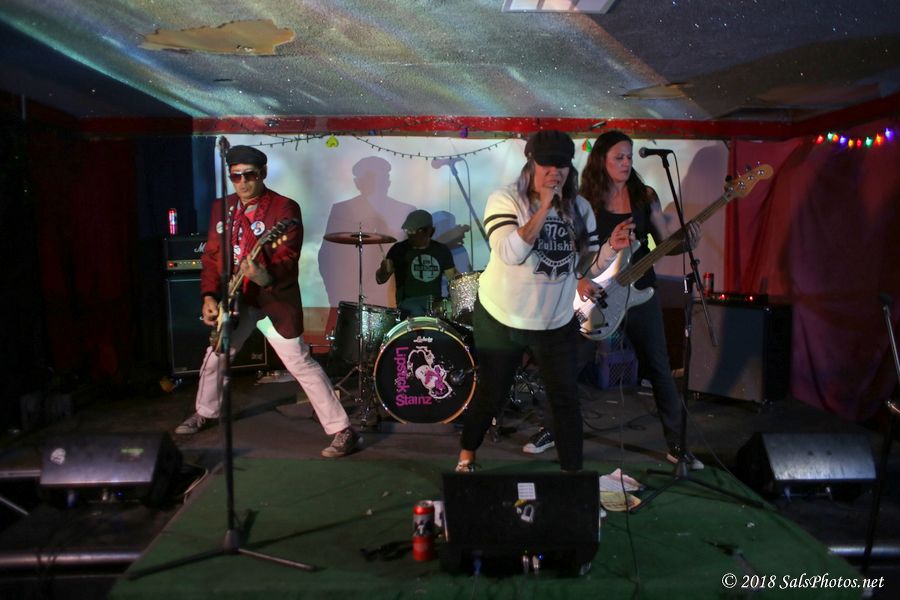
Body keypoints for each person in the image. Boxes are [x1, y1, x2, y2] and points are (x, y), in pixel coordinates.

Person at [454, 130, 634, 473]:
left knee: (565, 399)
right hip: (502, 317)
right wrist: (544, 209)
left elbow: (584, 267)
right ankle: (467, 455)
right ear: (530, 164)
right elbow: (510, 253)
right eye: (547, 165)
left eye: (561, 165)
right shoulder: (506, 199)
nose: (555, 172)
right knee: (493, 393)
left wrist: (611, 247)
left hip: (554, 321)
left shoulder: (580, 208)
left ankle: (572, 475)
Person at [175, 145, 360, 459]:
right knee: (216, 354)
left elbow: (288, 257)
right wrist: (208, 295)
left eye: (249, 175)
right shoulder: (222, 207)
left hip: (274, 299)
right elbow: (212, 257)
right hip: (236, 299)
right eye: (236, 176)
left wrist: (264, 275)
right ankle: (205, 411)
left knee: (299, 362)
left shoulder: (284, 208)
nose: (243, 182)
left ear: (263, 173)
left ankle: (343, 429)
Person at [575, 129, 704, 469]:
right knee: (570, 363)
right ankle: (553, 429)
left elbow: (666, 242)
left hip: (641, 290)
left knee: (659, 367)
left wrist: (688, 242)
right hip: (598, 295)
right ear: (600, 160)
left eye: (629, 157)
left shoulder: (645, 196)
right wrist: (580, 280)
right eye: (618, 157)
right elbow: (576, 252)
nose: (626, 163)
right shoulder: (585, 202)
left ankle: (676, 444)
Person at [375, 209, 459, 317]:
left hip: (434, 303)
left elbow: (453, 279)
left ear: (430, 231)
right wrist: (383, 270)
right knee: (417, 311)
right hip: (407, 303)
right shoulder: (399, 250)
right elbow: (380, 279)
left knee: (450, 310)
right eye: (408, 231)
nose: (411, 235)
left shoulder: (441, 250)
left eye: (415, 231)